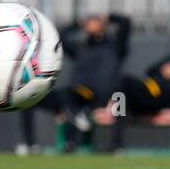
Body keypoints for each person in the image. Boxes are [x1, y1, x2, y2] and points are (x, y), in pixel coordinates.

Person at [19, 13, 130, 154]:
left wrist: (107, 18)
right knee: (29, 98)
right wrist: (78, 22)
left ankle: (88, 139)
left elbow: (125, 22)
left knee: (75, 97)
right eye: (89, 22)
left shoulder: (115, 46)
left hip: (96, 96)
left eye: (94, 21)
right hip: (73, 95)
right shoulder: (82, 47)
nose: (91, 24)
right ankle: (31, 145)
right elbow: (58, 36)